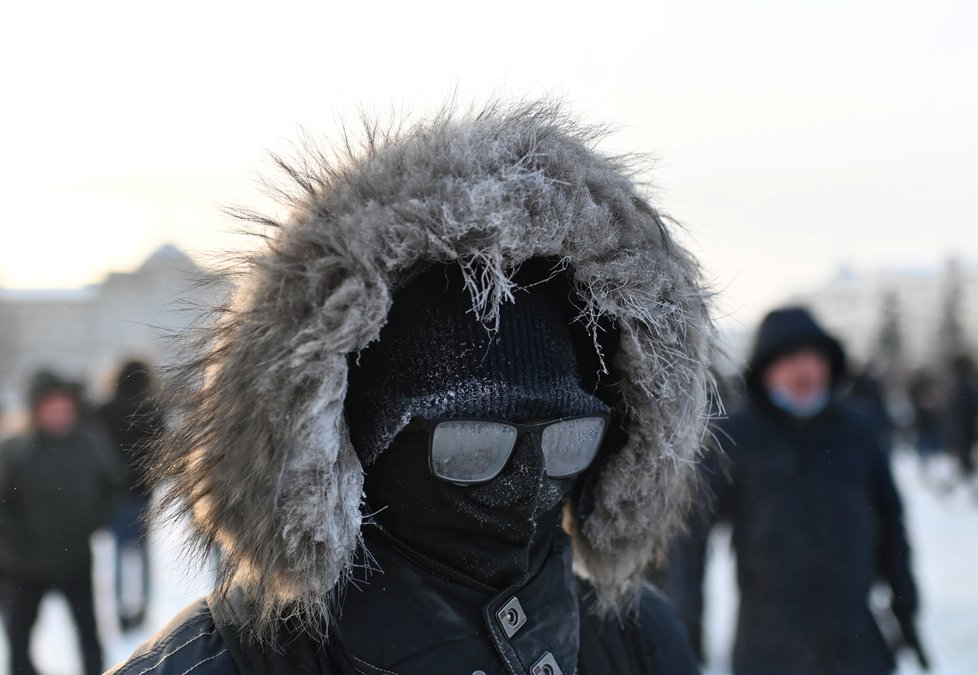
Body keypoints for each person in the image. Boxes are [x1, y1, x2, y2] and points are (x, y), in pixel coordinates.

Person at [107, 102, 713, 674]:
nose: (527, 485)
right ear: (356, 439)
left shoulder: (635, 640)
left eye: (567, 441)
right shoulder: (222, 664)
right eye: (472, 446)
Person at [666, 307, 922, 675]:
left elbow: (891, 520)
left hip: (857, 646)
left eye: (815, 358)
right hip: (768, 650)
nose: (806, 371)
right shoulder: (734, 435)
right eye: (791, 359)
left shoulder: (859, 430)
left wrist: (905, 604)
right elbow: (690, 535)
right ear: (766, 367)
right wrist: (686, 626)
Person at [0, 370, 118, 675]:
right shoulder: (14, 448)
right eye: (52, 407)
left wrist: (93, 521)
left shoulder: (89, 442)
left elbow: (114, 485)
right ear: (36, 409)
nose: (59, 414)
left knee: (89, 633)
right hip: (23, 564)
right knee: (19, 639)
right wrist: (15, 534)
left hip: (74, 556)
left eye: (65, 407)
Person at [97, 360, 164, 631]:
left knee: (117, 553)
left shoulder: (104, 410)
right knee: (143, 553)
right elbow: (163, 452)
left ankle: (120, 610)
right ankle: (143, 608)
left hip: (115, 493)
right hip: (143, 493)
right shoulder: (151, 409)